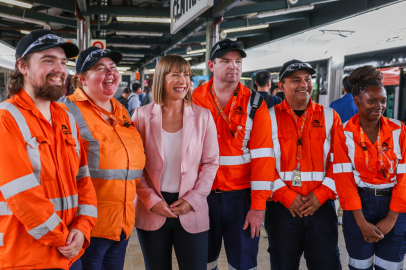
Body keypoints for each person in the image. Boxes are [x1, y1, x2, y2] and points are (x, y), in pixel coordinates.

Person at [0, 29, 97, 270]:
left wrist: (83, 228)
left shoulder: (66, 118)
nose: (60, 69)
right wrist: (63, 238)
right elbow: (22, 195)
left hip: (69, 253)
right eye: (48, 60)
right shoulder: (6, 119)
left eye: (63, 62)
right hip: (26, 257)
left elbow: (83, 180)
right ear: (22, 66)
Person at [60, 46, 146, 270]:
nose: (110, 72)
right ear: (82, 79)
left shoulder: (120, 111)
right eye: (100, 68)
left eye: (113, 67)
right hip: (87, 230)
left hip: (122, 226)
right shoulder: (65, 110)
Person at [193, 39, 275, 270]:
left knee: (243, 265)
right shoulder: (193, 100)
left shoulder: (255, 103)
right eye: (226, 61)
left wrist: (258, 207)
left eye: (238, 62)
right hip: (201, 196)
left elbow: (263, 158)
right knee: (202, 263)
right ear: (211, 65)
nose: (234, 66)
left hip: (241, 200)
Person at [132, 55, 219, 270]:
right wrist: (151, 200)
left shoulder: (203, 116)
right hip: (152, 208)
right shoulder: (141, 116)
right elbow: (134, 165)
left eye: (187, 75)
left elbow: (211, 163)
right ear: (162, 78)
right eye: (176, 74)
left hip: (191, 207)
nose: (183, 81)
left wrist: (194, 198)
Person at [267, 59, 342, 270]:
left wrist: (322, 194)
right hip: (283, 209)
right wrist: (285, 195)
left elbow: (340, 162)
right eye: (296, 80)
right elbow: (262, 163)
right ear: (281, 86)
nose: (304, 84)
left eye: (308, 79)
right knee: (282, 264)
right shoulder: (268, 119)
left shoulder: (329, 116)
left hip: (321, 208)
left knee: (326, 264)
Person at [333, 65, 406, 270]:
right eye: (372, 101)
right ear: (357, 100)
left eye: (383, 101)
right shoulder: (344, 133)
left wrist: (392, 218)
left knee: (391, 266)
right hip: (359, 205)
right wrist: (361, 223)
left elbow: (405, 177)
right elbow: (344, 179)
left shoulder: (399, 130)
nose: (379, 106)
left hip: (396, 205)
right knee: (360, 265)